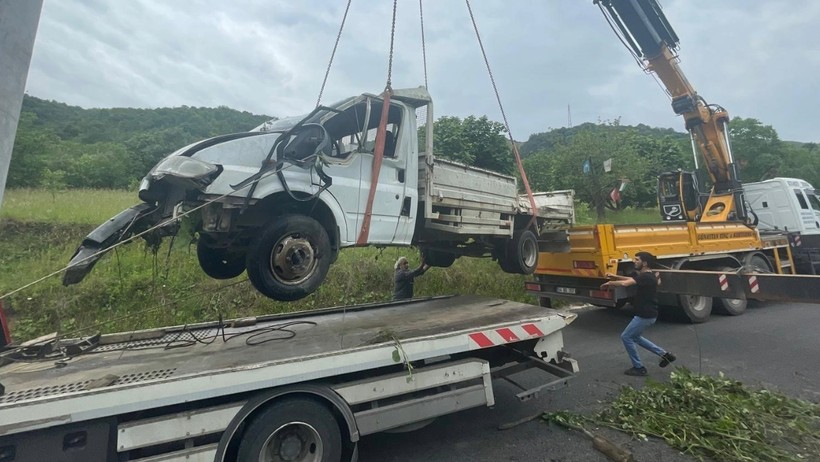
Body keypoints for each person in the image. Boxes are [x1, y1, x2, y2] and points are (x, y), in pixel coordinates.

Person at [600, 251, 676, 376]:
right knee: (635, 337)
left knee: (626, 337)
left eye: (636, 259)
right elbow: (631, 279)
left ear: (644, 263)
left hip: (645, 315)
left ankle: (639, 367)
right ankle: (665, 355)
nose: (634, 261)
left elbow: (626, 283)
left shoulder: (647, 277)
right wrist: (614, 276)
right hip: (646, 314)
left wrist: (610, 283)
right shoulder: (644, 275)